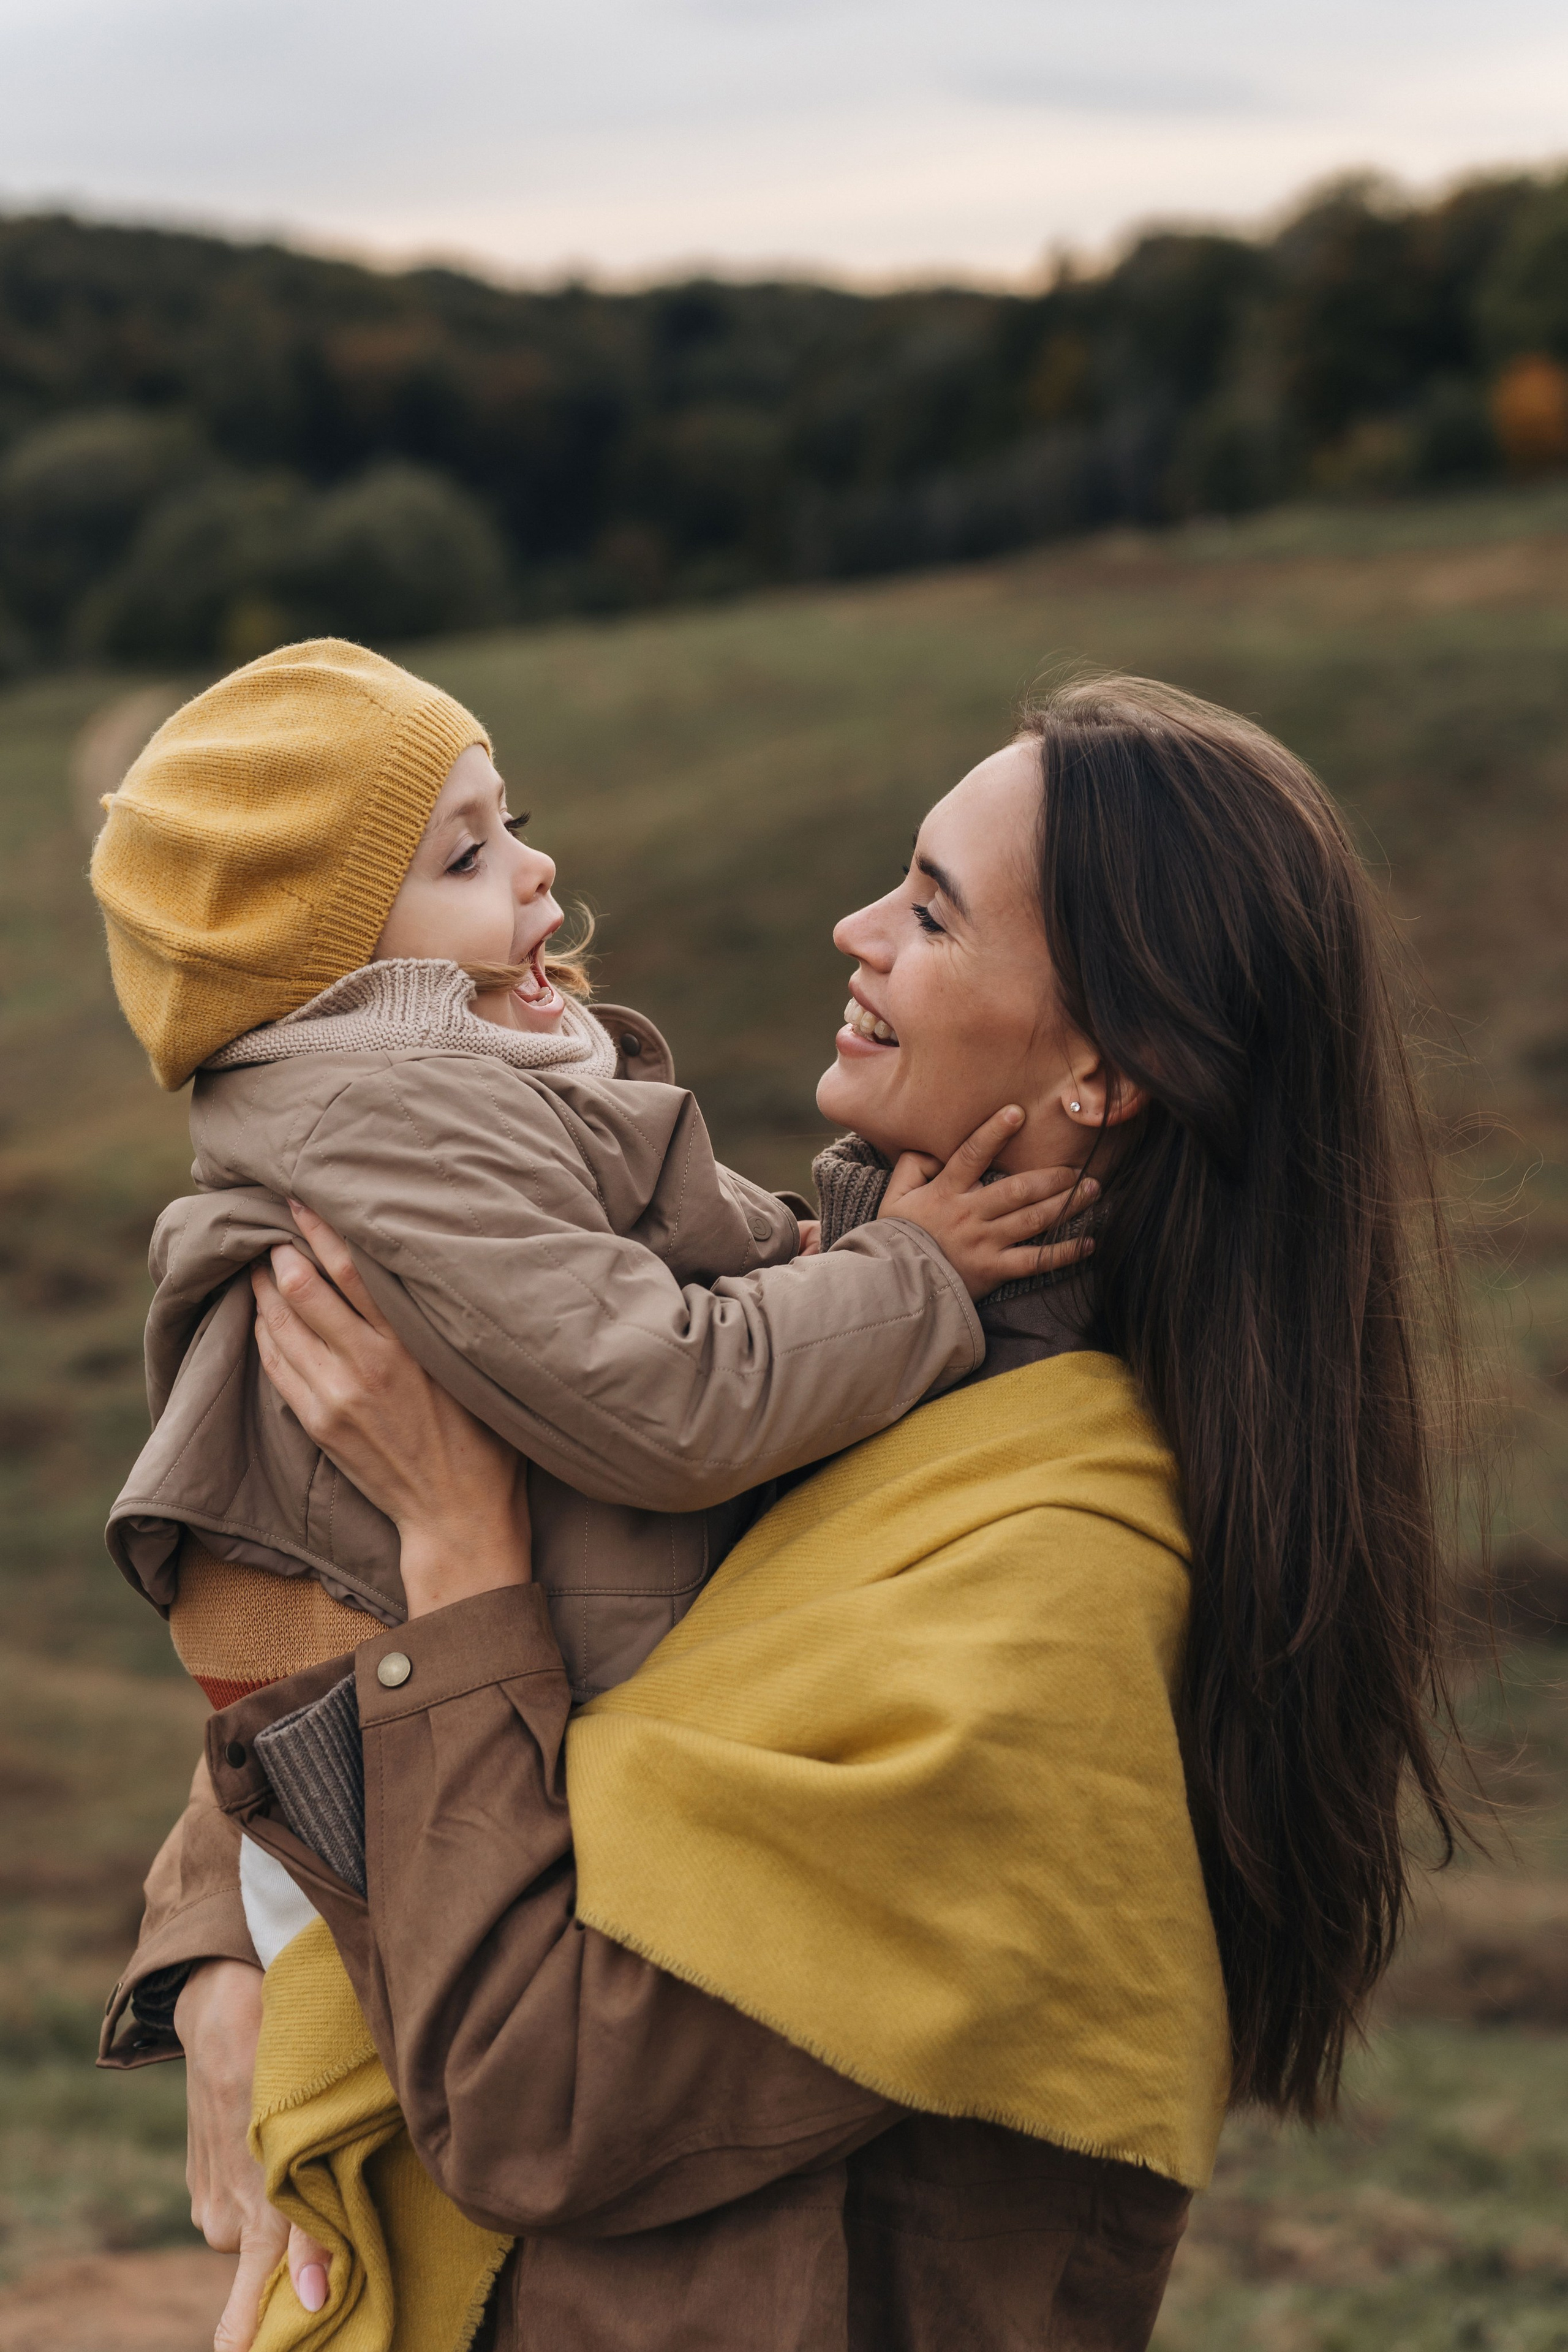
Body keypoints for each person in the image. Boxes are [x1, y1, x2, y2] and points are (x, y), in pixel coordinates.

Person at [110, 676, 1469, 2352]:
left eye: (930, 911)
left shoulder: (1049, 1576)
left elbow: (537, 2104)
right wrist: (221, 1960)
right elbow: (336, 1596)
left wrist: (465, 1554)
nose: (853, 929)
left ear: (1108, 1072)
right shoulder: (832, 1354)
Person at [89, 636, 1087, 2013]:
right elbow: (664, 1397)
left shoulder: (450, 1091)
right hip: (407, 1772)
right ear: (328, 972)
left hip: (421, 1730)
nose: (533, 868)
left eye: (514, 823)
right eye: (465, 856)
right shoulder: (394, 1124)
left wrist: (815, 1258)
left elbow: (635, 1272)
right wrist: (908, 1273)